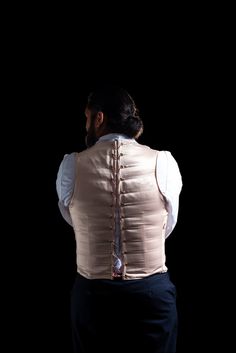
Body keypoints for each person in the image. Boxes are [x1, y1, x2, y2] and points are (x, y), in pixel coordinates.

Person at [56, 84, 183, 353]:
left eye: (87, 117)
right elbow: (166, 226)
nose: (85, 124)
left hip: (92, 296)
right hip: (151, 295)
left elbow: (74, 220)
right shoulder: (165, 162)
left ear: (98, 118)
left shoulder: (71, 165)